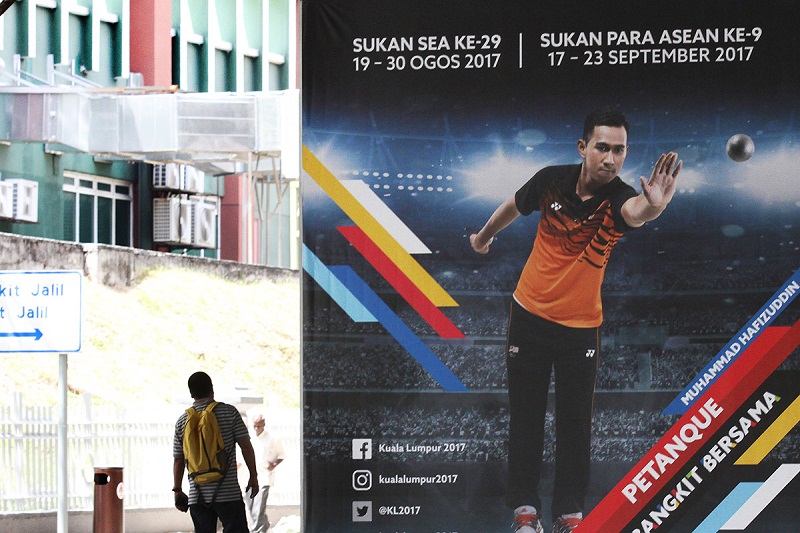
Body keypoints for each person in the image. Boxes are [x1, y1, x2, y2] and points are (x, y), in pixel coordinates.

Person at [469, 107, 681, 533]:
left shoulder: (619, 197)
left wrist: (654, 208)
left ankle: (569, 515)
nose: (610, 158)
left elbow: (636, 212)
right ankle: (525, 513)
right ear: (583, 147)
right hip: (528, 315)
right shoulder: (550, 180)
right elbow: (512, 205)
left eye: (619, 151)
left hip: (581, 327)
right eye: (602, 147)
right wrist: (483, 236)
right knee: (525, 418)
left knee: (574, 425)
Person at [172, 371, 260, 533]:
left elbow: (179, 459)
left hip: (197, 495)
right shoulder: (229, 413)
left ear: (191, 393)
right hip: (228, 494)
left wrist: (177, 489)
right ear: (212, 389)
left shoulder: (182, 421)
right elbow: (246, 446)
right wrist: (253, 476)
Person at [241, 413, 286, 533]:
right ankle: (264, 525)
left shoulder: (272, 439)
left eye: (259, 426)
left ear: (263, 425)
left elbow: (281, 455)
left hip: (264, 478)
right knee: (251, 507)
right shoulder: (249, 437)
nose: (257, 428)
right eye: (255, 426)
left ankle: (257, 530)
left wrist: (274, 464)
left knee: (258, 508)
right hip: (248, 477)